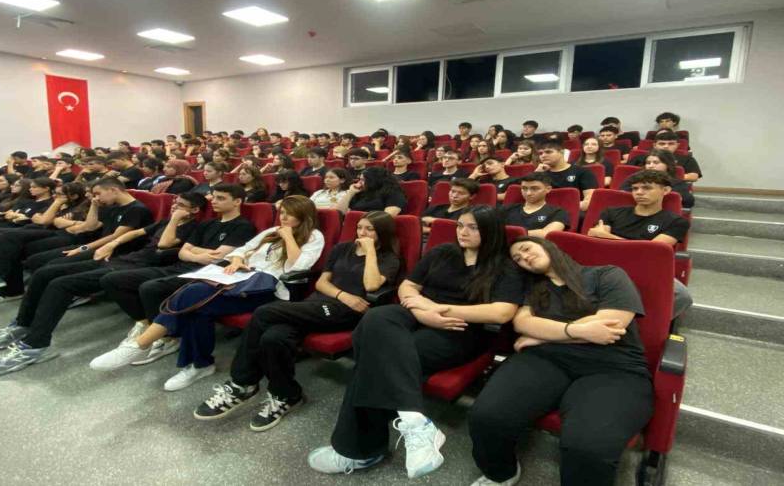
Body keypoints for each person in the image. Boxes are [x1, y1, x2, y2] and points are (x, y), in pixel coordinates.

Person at [308, 206, 524, 479]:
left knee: (375, 362)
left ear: (490, 231)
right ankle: (414, 420)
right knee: (376, 317)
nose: (463, 232)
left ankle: (361, 451)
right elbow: (408, 287)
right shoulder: (443, 252)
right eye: (460, 225)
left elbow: (502, 312)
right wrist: (424, 311)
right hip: (419, 313)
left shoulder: (504, 265)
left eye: (472, 227)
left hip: (459, 328)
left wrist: (440, 311)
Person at [188, 211, 402, 431]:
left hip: (346, 312)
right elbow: (321, 283)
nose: (362, 233)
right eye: (359, 227)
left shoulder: (389, 258)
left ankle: (242, 383)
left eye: (370, 229)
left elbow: (371, 285)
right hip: (321, 302)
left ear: (382, 233)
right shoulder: (342, 248)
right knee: (274, 338)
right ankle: (287, 395)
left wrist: (370, 252)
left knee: (264, 313)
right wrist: (342, 294)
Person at [468, 236, 653, 486]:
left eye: (526, 249)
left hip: (613, 366)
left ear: (547, 246)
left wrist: (543, 335)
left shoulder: (606, 274)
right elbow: (522, 323)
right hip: (547, 359)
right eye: (518, 259)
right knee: (486, 416)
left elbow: (611, 324)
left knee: (587, 447)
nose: (524, 258)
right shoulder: (534, 289)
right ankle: (501, 474)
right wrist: (574, 331)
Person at [93, 196, 324, 392]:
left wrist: (288, 237)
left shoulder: (314, 236)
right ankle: (198, 365)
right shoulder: (272, 231)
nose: (283, 218)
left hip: (266, 287)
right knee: (197, 306)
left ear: (304, 215)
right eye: (281, 213)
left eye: (289, 214)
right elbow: (242, 250)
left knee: (194, 294)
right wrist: (237, 260)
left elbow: (298, 267)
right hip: (238, 277)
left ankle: (142, 345)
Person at [0, 193, 208, 376]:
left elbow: (165, 243)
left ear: (194, 210)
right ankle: (24, 323)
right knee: (44, 273)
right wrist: (112, 244)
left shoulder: (193, 227)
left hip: (136, 268)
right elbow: (136, 233)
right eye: (174, 203)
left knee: (61, 284)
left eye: (180, 205)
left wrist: (176, 218)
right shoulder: (167, 220)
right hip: (125, 259)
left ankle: (35, 345)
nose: (174, 207)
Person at [90, 184, 258, 367]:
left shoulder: (243, 226)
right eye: (214, 197)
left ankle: (168, 338)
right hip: (180, 266)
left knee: (150, 288)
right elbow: (182, 252)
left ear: (237, 201)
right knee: (112, 280)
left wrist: (193, 251)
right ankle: (147, 325)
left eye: (221, 198)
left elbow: (218, 257)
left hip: (204, 273)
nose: (214, 201)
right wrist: (197, 254)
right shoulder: (207, 224)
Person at [0, 177, 153, 304]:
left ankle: (50, 297)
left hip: (110, 249)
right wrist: (95, 206)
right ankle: (1, 282)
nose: (95, 197)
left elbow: (114, 237)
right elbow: (89, 226)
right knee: (25, 252)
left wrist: (82, 248)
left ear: (113, 190)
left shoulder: (136, 209)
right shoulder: (111, 205)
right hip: (92, 243)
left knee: (46, 264)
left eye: (97, 194)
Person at [587, 170, 692, 318]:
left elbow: (652, 251)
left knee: (682, 295)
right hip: (608, 264)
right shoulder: (611, 212)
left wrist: (609, 237)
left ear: (665, 190)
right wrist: (609, 239)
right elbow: (597, 241)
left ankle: (649, 324)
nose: (639, 192)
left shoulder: (676, 221)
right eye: (635, 188)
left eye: (646, 188)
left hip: (646, 267)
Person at [502, 173, 570, 238]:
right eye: (524, 188)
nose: (528, 193)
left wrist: (510, 233)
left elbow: (547, 234)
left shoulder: (558, 212)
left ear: (548, 189)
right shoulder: (507, 209)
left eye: (534, 188)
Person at [535, 141, 597, 211]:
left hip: (574, 212)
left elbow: (589, 202)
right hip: (545, 213)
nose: (543, 156)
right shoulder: (540, 174)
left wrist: (561, 209)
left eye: (548, 152)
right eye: (540, 153)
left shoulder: (583, 172)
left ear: (562, 152)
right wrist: (536, 174)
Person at [620, 150, 694, 208]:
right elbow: (623, 195)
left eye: (656, 163)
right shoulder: (634, 178)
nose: (651, 166)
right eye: (648, 163)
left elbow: (688, 202)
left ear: (667, 165)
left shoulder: (677, 182)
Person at [628, 131, 701, 182]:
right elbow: (626, 172)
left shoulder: (687, 159)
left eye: (671, 144)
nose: (666, 146)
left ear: (677, 145)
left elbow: (694, 176)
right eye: (662, 144)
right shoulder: (639, 158)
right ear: (654, 145)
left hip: (673, 185)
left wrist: (663, 177)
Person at [335, 167, 406, 217]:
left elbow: (387, 216)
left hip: (373, 227)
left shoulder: (393, 193)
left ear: (373, 180)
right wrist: (350, 193)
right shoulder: (360, 192)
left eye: (363, 180)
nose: (359, 183)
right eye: (359, 179)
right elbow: (338, 213)